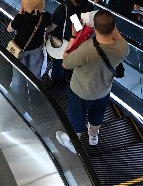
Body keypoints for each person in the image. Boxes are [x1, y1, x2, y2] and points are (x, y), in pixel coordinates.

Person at [55, 10, 129, 150]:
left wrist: (74, 37)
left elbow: (66, 62)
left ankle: (73, 141)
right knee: (97, 115)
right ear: (114, 27)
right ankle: (93, 137)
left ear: (94, 27)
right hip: (103, 91)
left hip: (81, 92)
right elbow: (114, 32)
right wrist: (107, 23)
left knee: (76, 118)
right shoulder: (123, 47)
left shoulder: (87, 49)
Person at [8, 0, 53, 88]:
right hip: (36, 47)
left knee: (19, 70)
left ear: (24, 5)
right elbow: (50, 25)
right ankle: (34, 89)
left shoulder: (20, 18)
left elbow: (9, 29)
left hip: (20, 48)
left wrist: (20, 13)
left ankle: (18, 89)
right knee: (35, 69)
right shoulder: (45, 17)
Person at [48, 0, 87, 84]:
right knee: (71, 61)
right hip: (77, 40)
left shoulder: (64, 8)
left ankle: (58, 81)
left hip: (63, 42)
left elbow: (53, 25)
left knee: (59, 61)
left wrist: (45, 32)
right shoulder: (87, 5)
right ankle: (69, 77)